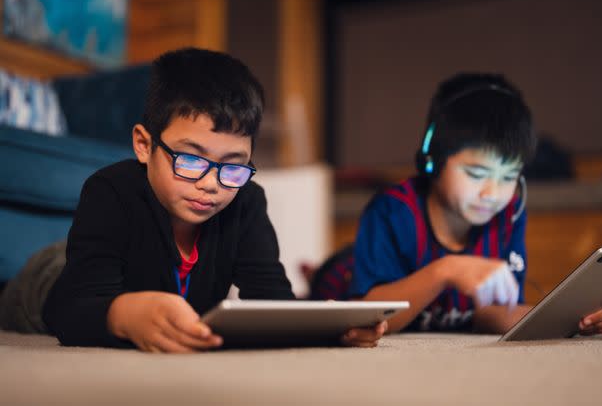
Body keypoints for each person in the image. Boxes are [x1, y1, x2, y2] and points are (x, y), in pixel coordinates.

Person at [0, 47, 386, 352]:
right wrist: (123, 313)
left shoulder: (246, 201)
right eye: (190, 160)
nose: (211, 184)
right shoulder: (109, 191)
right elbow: (69, 310)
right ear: (144, 145)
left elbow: (271, 301)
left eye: (232, 165)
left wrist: (328, 326)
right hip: (50, 281)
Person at [310, 72, 602, 335]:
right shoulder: (393, 211)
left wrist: (577, 321)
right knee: (332, 277)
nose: (492, 192)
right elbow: (369, 318)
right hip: (343, 279)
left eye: (509, 177)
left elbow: (493, 313)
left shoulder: (508, 212)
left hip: (439, 307)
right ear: (431, 161)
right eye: (477, 174)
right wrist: (445, 271)